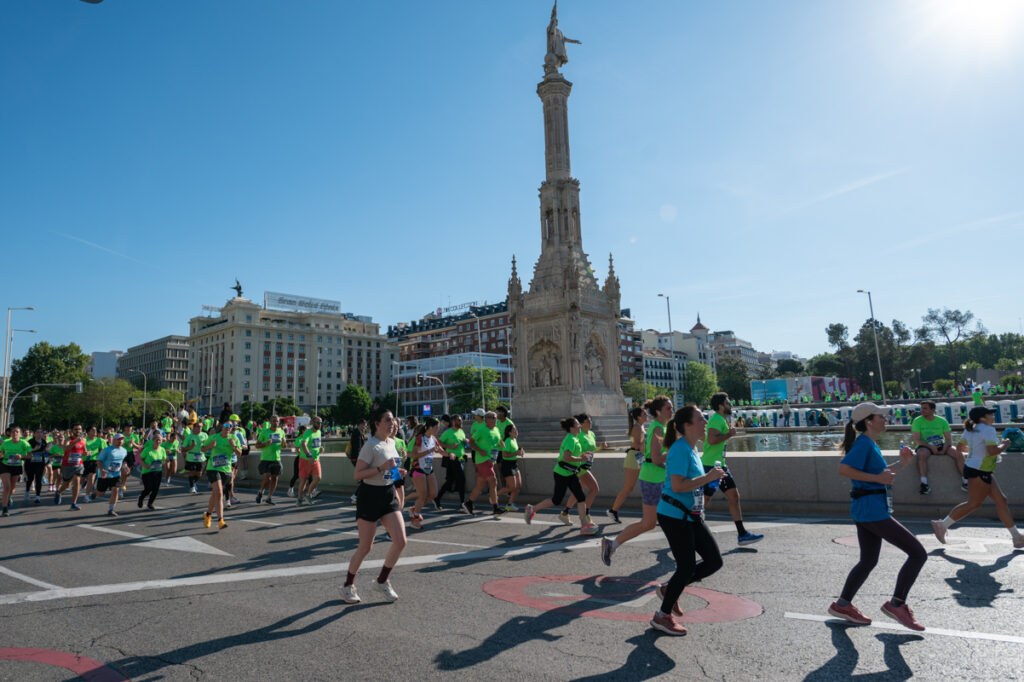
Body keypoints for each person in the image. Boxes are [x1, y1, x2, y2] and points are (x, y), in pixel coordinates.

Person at [828, 403, 926, 631]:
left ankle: (842, 605)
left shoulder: (869, 443)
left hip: (866, 508)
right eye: (881, 416)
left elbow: (877, 474)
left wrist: (901, 464)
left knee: (868, 560)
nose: (886, 419)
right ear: (869, 421)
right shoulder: (864, 444)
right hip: (871, 510)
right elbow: (844, 469)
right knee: (918, 553)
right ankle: (897, 605)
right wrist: (878, 479)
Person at [649, 405, 726, 636]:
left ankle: (669, 589)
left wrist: (707, 483)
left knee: (713, 561)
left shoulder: (692, 448)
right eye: (701, 419)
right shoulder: (680, 449)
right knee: (686, 567)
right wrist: (708, 478)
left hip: (691, 515)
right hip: (674, 515)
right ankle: (662, 616)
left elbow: (691, 484)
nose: (706, 423)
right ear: (687, 425)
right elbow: (677, 485)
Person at [931, 406, 1024, 549]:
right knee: (973, 504)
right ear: (982, 418)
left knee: (1001, 500)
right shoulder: (988, 430)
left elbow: (960, 447)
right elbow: (992, 451)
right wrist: (1004, 444)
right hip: (979, 470)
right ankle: (942, 525)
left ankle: (1017, 537)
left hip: (978, 469)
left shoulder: (971, 429)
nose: (993, 417)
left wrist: (976, 452)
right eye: (990, 414)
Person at [341, 407, 407, 604]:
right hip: (369, 496)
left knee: (401, 541)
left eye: (393, 420)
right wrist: (380, 468)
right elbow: (358, 475)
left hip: (388, 494)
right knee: (365, 547)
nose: (392, 423)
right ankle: (347, 585)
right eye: (387, 420)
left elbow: (391, 470)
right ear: (377, 424)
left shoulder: (392, 442)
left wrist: (397, 476)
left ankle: (382, 581)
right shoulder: (370, 446)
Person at [601, 397, 672, 566]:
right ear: (658, 411)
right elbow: (656, 458)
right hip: (652, 480)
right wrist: (674, 452)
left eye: (671, 407)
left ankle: (683, 549)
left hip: (656, 478)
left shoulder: (659, 427)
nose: (672, 410)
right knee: (648, 523)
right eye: (668, 408)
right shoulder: (657, 428)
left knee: (666, 517)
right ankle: (612, 543)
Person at [702, 392, 763, 545]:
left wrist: (728, 434)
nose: (731, 405)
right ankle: (685, 524)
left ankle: (742, 534)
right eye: (728, 403)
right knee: (705, 499)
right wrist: (729, 434)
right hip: (711, 466)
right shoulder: (716, 419)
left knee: (733, 497)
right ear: (721, 405)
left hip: (719, 465)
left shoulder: (721, 419)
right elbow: (711, 439)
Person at [524, 417, 597, 535]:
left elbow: (572, 454)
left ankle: (584, 526)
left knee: (581, 497)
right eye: (577, 424)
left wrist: (583, 454)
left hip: (571, 473)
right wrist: (581, 458)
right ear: (572, 428)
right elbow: (566, 457)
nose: (580, 426)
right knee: (556, 500)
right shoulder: (571, 439)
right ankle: (532, 509)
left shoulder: (574, 438)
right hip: (562, 474)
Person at [562, 413, 606, 526]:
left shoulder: (591, 434)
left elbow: (592, 450)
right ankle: (586, 515)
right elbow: (574, 450)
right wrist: (581, 456)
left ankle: (565, 513)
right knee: (595, 489)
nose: (591, 422)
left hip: (587, 466)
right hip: (580, 467)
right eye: (588, 421)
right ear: (581, 424)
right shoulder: (579, 435)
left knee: (579, 490)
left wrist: (600, 447)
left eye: (591, 420)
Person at [912, 400, 965, 495]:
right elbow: (917, 440)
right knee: (921, 454)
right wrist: (931, 447)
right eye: (921, 408)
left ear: (933, 410)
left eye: (925, 408)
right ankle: (924, 484)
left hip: (941, 444)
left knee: (958, 453)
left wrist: (944, 448)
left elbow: (948, 439)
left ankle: (966, 481)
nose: (922, 410)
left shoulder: (942, 421)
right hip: (925, 446)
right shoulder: (917, 421)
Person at [607, 407, 648, 524]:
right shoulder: (637, 427)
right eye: (644, 413)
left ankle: (650, 515)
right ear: (639, 417)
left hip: (638, 457)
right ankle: (613, 510)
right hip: (635, 457)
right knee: (629, 488)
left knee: (647, 485)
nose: (646, 415)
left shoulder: (640, 427)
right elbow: (637, 445)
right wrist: (648, 442)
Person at [201, 421, 241, 529]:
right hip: (213, 468)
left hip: (226, 470)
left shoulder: (234, 438)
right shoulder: (214, 437)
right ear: (222, 427)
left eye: (231, 426)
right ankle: (220, 520)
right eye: (226, 425)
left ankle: (208, 515)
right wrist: (210, 446)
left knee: (215, 494)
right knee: (219, 492)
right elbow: (202, 449)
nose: (229, 427)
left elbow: (239, 453)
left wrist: (234, 446)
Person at [465, 411, 504, 516]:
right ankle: (496, 507)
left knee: (480, 485)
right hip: (482, 460)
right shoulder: (482, 430)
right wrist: (480, 450)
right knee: (493, 481)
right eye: (494, 418)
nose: (496, 419)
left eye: (496, 417)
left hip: (491, 460)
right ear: (487, 419)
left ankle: (469, 503)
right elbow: (471, 442)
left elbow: (498, 439)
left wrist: (501, 443)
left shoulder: (496, 429)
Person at [408, 417, 444, 529]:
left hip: (428, 468)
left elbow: (441, 451)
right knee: (422, 495)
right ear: (429, 427)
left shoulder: (434, 439)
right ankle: (415, 519)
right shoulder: (419, 438)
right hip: (418, 468)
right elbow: (414, 455)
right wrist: (429, 451)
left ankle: (415, 509)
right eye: (436, 427)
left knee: (433, 494)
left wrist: (451, 455)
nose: (438, 430)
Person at [436, 414, 469, 512]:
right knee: (461, 480)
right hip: (452, 458)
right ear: (453, 422)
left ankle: (437, 498)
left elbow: (463, 444)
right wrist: (450, 446)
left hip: (461, 458)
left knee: (450, 481)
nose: (461, 422)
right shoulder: (448, 432)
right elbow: (439, 442)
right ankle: (463, 504)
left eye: (461, 420)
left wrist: (466, 443)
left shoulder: (461, 431)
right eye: (459, 420)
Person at [255, 415, 287, 505]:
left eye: (277, 421)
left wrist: (284, 443)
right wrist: (266, 444)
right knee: (267, 478)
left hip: (277, 458)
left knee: (275, 478)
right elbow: (257, 445)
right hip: (266, 458)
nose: (275, 423)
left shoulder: (281, 431)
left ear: (279, 422)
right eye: (273, 421)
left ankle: (269, 497)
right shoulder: (264, 432)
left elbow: (284, 446)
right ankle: (261, 492)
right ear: (270, 422)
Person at [57, 424, 88, 510]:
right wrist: (75, 442)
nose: (78, 431)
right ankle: (59, 492)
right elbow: (65, 449)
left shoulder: (83, 440)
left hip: (78, 464)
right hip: (67, 465)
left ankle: (74, 503)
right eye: (76, 429)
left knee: (77, 482)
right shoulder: (68, 439)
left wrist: (86, 453)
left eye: (79, 429)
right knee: (66, 485)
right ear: (72, 430)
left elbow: (84, 451)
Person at [1, 427, 31, 517]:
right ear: (10, 434)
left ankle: (9, 497)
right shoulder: (5, 442)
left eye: (17, 432)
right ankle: (5, 509)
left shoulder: (24, 443)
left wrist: (22, 456)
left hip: (17, 466)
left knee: (12, 488)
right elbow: (1, 452)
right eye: (13, 432)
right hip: (5, 465)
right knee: (7, 487)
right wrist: (1, 455)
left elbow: (30, 455)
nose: (14, 433)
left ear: (20, 434)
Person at [97, 434, 128, 516]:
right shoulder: (107, 450)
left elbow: (123, 461)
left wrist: (125, 467)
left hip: (116, 475)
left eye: (121, 439)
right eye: (118, 439)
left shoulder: (124, 451)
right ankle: (95, 492)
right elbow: (99, 461)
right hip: (105, 474)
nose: (120, 441)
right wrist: (101, 470)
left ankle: (111, 510)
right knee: (100, 494)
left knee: (115, 490)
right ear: (114, 440)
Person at [296, 416, 323, 506]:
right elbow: (304, 445)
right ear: (313, 423)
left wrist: (320, 448)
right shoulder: (308, 432)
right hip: (305, 459)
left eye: (321, 423)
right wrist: (309, 455)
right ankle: (299, 498)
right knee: (304, 480)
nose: (320, 424)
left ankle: (308, 495)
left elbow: (315, 444)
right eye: (318, 423)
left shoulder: (319, 432)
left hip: (316, 459)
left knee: (318, 478)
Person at [137, 432, 168, 510]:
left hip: (158, 472)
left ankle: (150, 503)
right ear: (153, 440)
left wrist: (165, 464)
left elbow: (164, 461)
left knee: (156, 489)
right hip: (147, 472)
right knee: (148, 488)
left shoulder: (162, 450)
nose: (158, 441)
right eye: (157, 440)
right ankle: (141, 498)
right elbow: (140, 459)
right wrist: (146, 466)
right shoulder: (147, 449)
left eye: (160, 440)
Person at [497, 424, 524, 511]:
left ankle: (509, 504)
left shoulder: (514, 439)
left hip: (514, 464)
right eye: (514, 430)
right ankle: (494, 495)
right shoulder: (508, 440)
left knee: (518, 486)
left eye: (516, 429)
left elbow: (515, 451)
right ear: (509, 433)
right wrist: (516, 453)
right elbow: (505, 455)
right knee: (512, 487)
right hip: (507, 465)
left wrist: (520, 452)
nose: (516, 431)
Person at [182, 422, 208, 494]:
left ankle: (193, 482)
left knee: (200, 474)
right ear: (194, 427)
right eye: (198, 427)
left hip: (201, 457)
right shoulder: (189, 437)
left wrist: (206, 444)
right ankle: (192, 487)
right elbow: (183, 449)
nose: (200, 428)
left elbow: (208, 445)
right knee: (192, 473)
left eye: (201, 427)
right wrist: (191, 446)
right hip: (191, 457)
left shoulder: (205, 435)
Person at [23, 429, 48, 505]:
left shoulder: (44, 442)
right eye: (37, 432)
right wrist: (34, 449)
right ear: (34, 434)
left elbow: (45, 451)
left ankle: (37, 496)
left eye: (41, 432)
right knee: (30, 479)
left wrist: (46, 452)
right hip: (30, 463)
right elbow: (26, 452)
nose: (39, 434)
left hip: (40, 463)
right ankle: (27, 491)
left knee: (38, 479)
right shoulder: (30, 441)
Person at [83, 426, 105, 501]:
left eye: (95, 430)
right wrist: (84, 453)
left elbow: (102, 451)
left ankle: (86, 495)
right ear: (88, 432)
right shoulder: (84, 440)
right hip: (83, 461)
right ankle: (78, 486)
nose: (95, 431)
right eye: (92, 430)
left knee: (91, 477)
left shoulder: (100, 440)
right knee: (81, 479)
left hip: (94, 461)